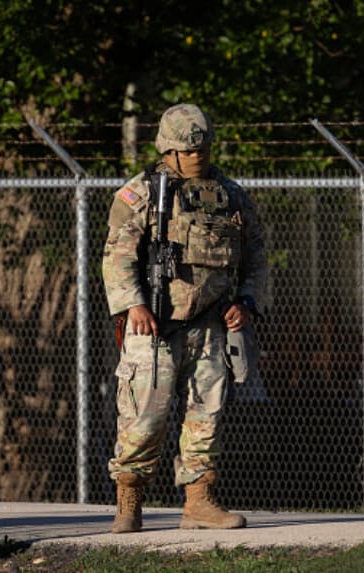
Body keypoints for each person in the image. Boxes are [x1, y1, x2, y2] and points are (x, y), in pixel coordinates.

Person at [102, 103, 267, 532]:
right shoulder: (141, 194)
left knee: (205, 418)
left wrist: (245, 302)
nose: (198, 155)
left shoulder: (230, 194)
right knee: (144, 418)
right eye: (188, 149)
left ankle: (199, 502)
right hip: (153, 325)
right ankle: (129, 502)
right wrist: (134, 304)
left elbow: (256, 256)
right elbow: (117, 255)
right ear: (168, 152)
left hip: (211, 325)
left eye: (203, 147)